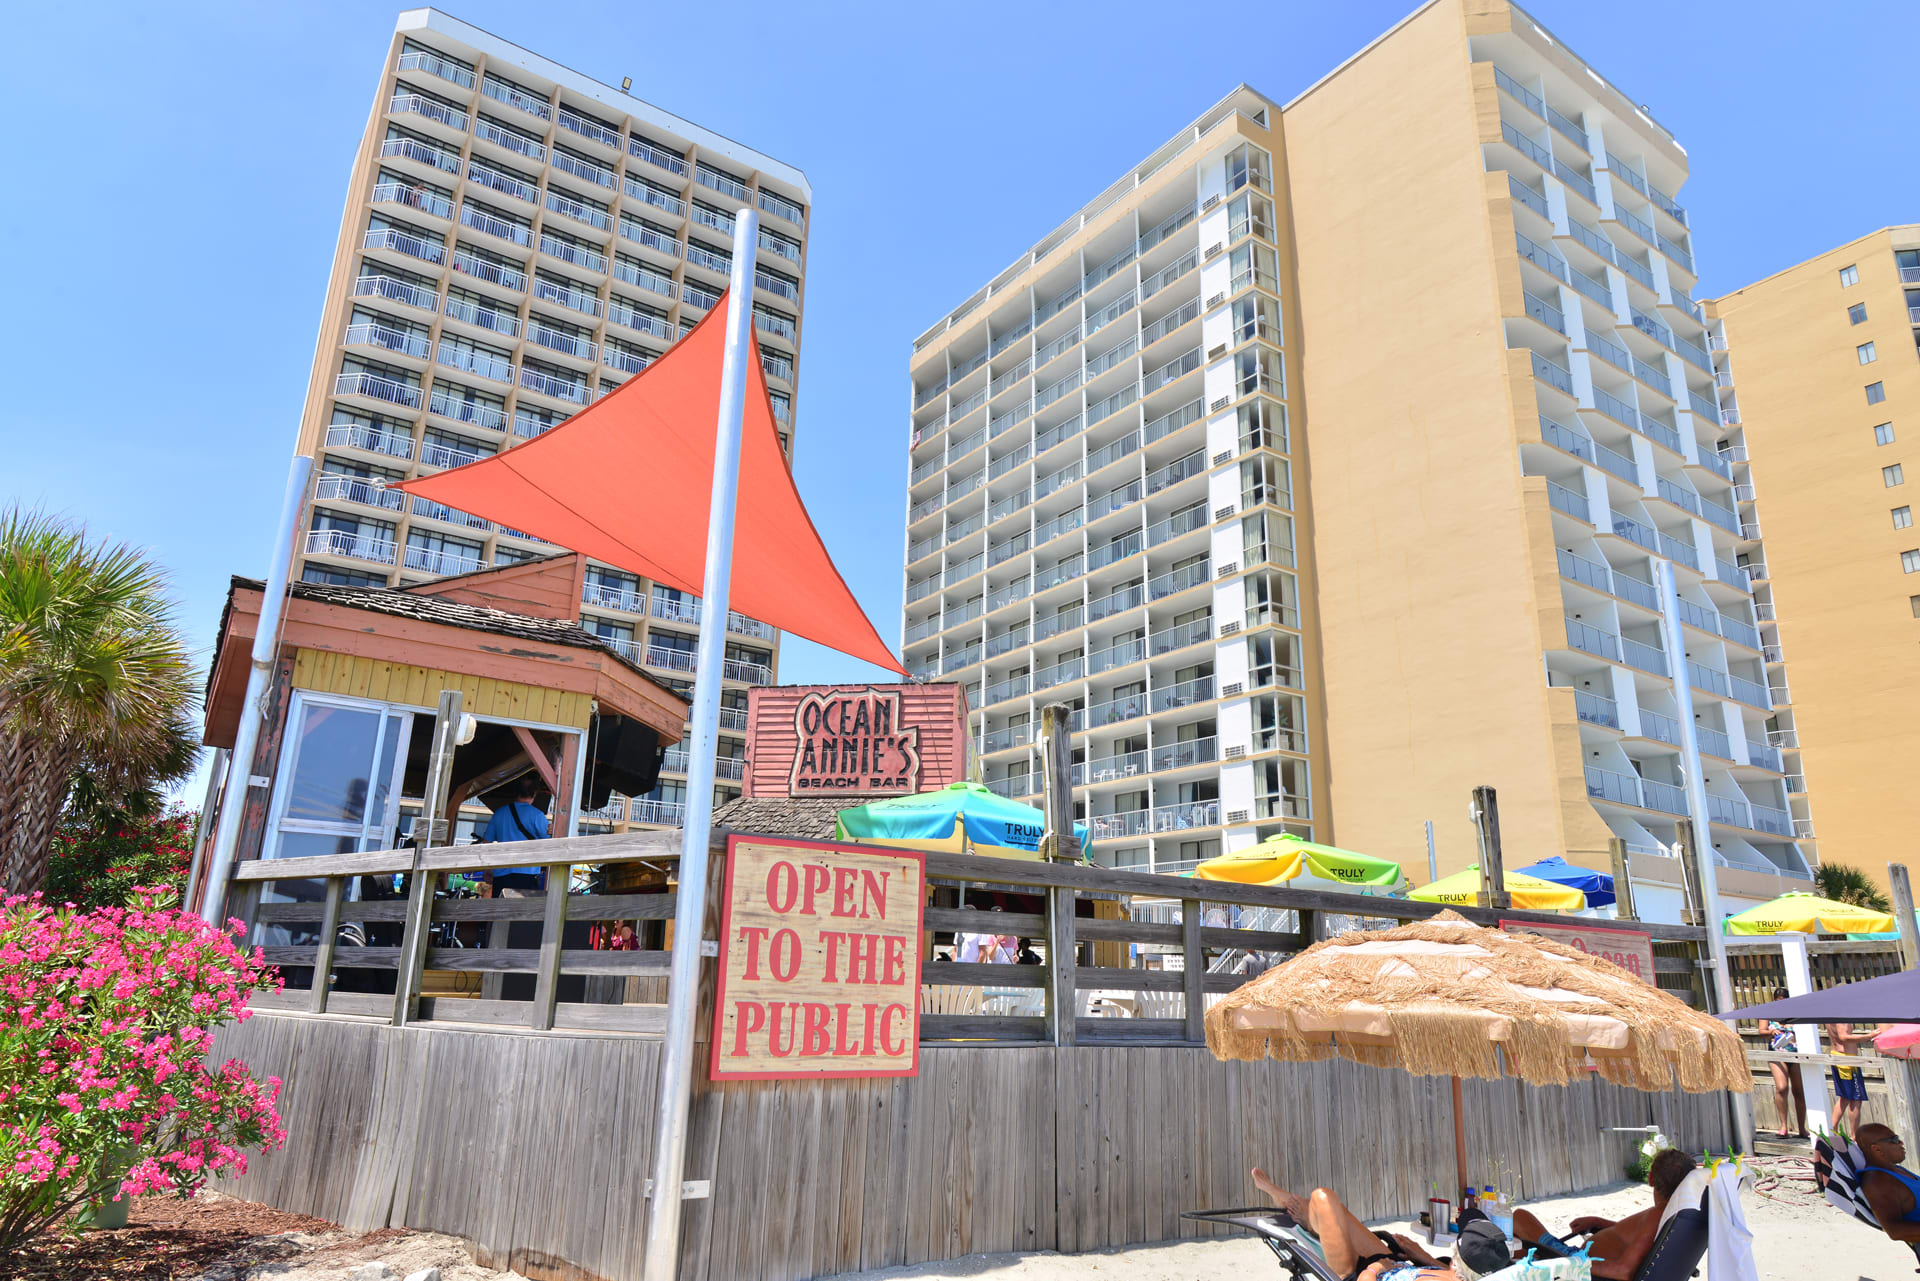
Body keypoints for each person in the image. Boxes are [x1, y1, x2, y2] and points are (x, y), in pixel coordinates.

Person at [1250, 1169, 1513, 1281]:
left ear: (1458, 1257)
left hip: (1363, 1275)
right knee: (1332, 1206)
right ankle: (1304, 1214)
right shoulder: (1469, 1273)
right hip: (1395, 1264)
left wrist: (1376, 1268)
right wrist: (1420, 1255)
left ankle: (1305, 1217)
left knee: (1323, 1198)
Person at [1511, 1148, 1697, 1281]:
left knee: (1519, 1217)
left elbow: (1623, 1271)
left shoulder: (1658, 1215)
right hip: (1582, 1262)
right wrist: (1598, 1222)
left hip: (1580, 1265)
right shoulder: (1678, 1216)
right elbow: (1634, 1237)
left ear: (1650, 1179)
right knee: (1519, 1251)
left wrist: (1568, 1262)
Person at [1855, 1123, 1920, 1260]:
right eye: (1894, 1140)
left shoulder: (1896, 1170)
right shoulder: (1878, 1181)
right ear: (1877, 1149)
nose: (1901, 1143)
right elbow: (1895, 1230)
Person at [478, 777, 550, 897]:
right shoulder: (538, 816)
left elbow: (486, 842)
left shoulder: (499, 813)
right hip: (527, 874)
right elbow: (549, 843)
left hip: (501, 874)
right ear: (534, 793)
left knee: (500, 910)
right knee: (524, 913)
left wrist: (487, 869)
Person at [1758, 988, 1808, 1138]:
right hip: (1777, 1051)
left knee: (1799, 1090)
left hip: (1795, 1051)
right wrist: (1771, 1032)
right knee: (1782, 1087)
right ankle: (1783, 1126)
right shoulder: (1767, 1011)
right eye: (1779, 1001)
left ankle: (1802, 1128)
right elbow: (1761, 1030)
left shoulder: (1795, 1012)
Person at [1828, 1020, 1869, 1136]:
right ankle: (1854, 1136)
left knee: (1844, 1098)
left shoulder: (1829, 1014)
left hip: (1838, 1056)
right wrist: (1869, 1036)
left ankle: (1831, 1130)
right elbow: (1843, 1037)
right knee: (1856, 1099)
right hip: (1847, 1060)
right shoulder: (1840, 1014)